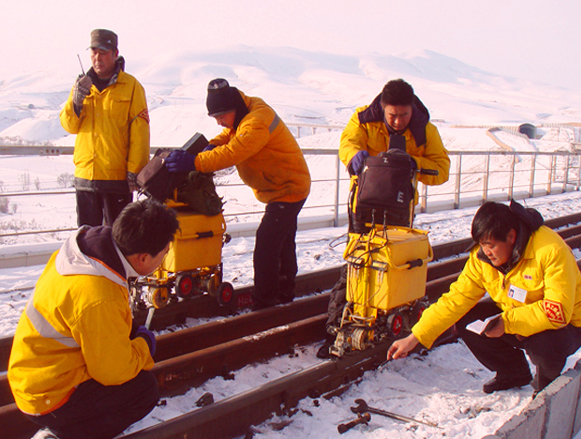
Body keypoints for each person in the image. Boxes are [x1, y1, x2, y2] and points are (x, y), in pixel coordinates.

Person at [8, 199, 179, 439]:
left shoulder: (87, 254)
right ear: (143, 259)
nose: (164, 259)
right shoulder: (100, 294)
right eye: (163, 254)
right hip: (48, 398)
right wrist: (144, 346)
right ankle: (62, 436)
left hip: (34, 375)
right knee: (144, 390)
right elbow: (113, 373)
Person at [387, 200, 581, 396]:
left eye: (491, 245)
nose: (487, 252)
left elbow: (557, 312)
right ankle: (513, 373)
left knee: (543, 341)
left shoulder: (549, 250)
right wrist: (414, 337)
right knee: (467, 319)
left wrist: (507, 323)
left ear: (511, 237)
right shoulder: (482, 258)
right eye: (482, 244)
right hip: (516, 315)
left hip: (567, 326)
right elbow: (455, 299)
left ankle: (547, 386)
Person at [317, 78, 451, 357]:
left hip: (400, 209)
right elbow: (347, 144)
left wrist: (415, 164)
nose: (399, 121)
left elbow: (442, 169)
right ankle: (338, 325)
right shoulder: (363, 118)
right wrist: (354, 157)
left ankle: (386, 322)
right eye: (393, 115)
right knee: (358, 262)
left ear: (412, 108)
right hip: (363, 204)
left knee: (392, 265)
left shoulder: (425, 130)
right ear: (382, 106)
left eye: (404, 114)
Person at [165, 78, 311, 310]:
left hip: (289, 189)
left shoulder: (256, 122)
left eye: (220, 117)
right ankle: (284, 293)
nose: (219, 122)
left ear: (232, 108)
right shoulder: (245, 110)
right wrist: (211, 145)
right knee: (281, 242)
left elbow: (233, 152)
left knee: (267, 244)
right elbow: (230, 134)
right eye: (215, 118)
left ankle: (264, 303)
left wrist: (195, 161)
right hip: (281, 187)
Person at [60, 29, 150, 227]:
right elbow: (69, 126)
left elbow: (140, 133)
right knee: (86, 240)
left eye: (103, 52)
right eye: (93, 52)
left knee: (118, 239)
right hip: (86, 177)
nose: (97, 58)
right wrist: (76, 102)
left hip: (116, 179)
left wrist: (134, 172)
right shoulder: (81, 85)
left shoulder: (132, 86)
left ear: (115, 53)